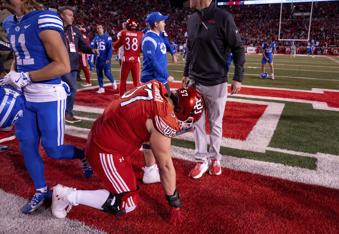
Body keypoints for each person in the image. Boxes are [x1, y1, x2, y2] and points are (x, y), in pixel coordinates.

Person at [51, 80, 205, 224]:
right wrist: (174, 203)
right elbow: (165, 167)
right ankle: (65, 196)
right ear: (183, 112)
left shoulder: (156, 86)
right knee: (128, 202)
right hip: (105, 150)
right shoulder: (163, 119)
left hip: (103, 130)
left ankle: (149, 171)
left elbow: (148, 132)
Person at [1, 0, 92, 214]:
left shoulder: (44, 18)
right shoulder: (9, 22)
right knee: (26, 144)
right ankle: (41, 191)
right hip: (24, 94)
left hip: (48, 94)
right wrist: (13, 75)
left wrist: (25, 76)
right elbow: (19, 56)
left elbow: (62, 65)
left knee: (54, 150)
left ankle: (84, 155)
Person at [183, 0, 245, 179]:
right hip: (195, 81)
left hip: (217, 82)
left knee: (215, 124)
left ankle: (215, 158)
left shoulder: (224, 17)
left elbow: (238, 48)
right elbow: (190, 49)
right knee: (197, 124)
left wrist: (238, 77)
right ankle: (201, 160)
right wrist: (187, 73)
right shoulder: (192, 19)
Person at [140, 12, 175, 184]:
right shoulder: (149, 39)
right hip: (152, 84)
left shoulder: (158, 37)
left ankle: (155, 159)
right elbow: (152, 61)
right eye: (162, 22)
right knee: (151, 124)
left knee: (162, 120)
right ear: (155, 24)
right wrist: (165, 75)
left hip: (160, 83)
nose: (165, 24)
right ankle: (149, 168)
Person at [59, 6, 96, 123]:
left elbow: (82, 46)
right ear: (62, 16)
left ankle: (67, 113)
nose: (72, 17)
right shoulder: (56, 29)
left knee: (71, 90)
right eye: (69, 15)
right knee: (65, 89)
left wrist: (91, 50)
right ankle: (64, 113)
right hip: (59, 65)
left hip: (73, 65)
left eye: (72, 15)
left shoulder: (75, 30)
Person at [113, 18, 143, 96]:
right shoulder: (140, 35)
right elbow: (142, 48)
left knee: (123, 80)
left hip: (126, 60)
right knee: (136, 82)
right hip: (136, 60)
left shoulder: (124, 33)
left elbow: (116, 45)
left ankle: (122, 96)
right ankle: (137, 97)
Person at [92, 23, 117, 94]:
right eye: (97, 28)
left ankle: (113, 81)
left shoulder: (108, 37)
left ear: (103, 29)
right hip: (98, 59)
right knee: (99, 73)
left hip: (105, 58)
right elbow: (93, 48)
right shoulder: (96, 38)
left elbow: (109, 49)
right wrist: (94, 59)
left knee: (107, 73)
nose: (98, 29)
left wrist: (108, 58)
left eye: (100, 27)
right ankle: (101, 87)